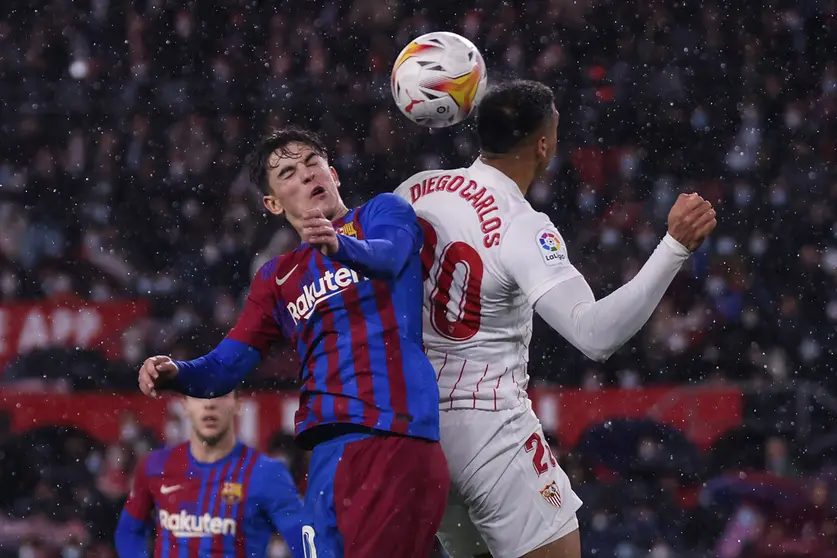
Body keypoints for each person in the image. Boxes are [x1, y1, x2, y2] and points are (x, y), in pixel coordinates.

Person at [394, 80, 717, 558]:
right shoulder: (520, 225)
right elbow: (595, 334)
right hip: (490, 435)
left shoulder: (414, 190)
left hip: (419, 432)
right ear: (543, 144)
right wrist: (673, 248)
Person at [136, 127, 449, 558]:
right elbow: (227, 365)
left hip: (394, 437)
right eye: (287, 172)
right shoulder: (276, 277)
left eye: (311, 163)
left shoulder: (382, 213)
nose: (305, 175)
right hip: (325, 451)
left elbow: (392, 255)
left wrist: (341, 246)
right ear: (272, 203)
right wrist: (177, 373)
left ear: (333, 174)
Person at [114, 391, 305, 557]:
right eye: (198, 395)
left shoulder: (266, 473)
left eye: (221, 395)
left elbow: (305, 540)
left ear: (238, 404)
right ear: (185, 405)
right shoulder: (155, 466)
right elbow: (129, 531)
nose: (210, 404)